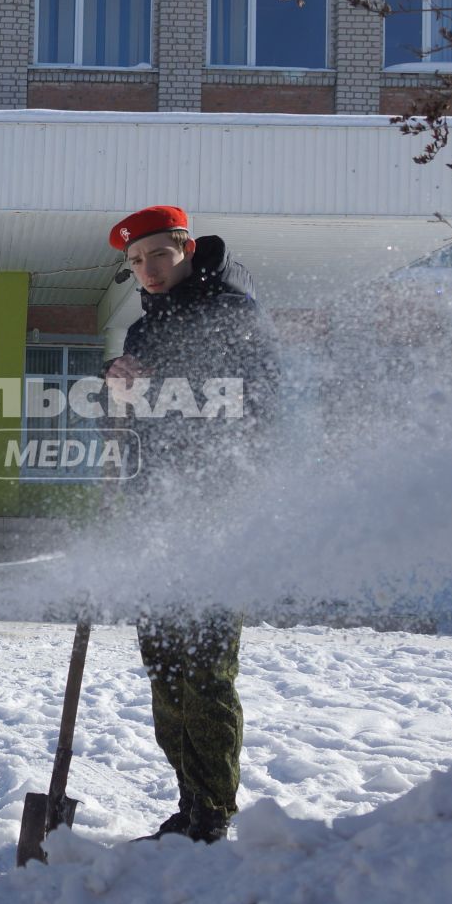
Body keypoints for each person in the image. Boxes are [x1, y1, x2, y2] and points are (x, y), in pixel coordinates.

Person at [101, 204, 280, 844]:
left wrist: (160, 385)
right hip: (157, 518)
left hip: (214, 519)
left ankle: (211, 813)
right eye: (133, 262)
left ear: (187, 247)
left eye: (156, 255)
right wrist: (117, 390)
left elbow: (253, 403)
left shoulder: (233, 313)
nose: (145, 270)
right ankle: (191, 803)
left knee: (203, 671)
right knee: (167, 670)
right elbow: (138, 421)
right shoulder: (146, 331)